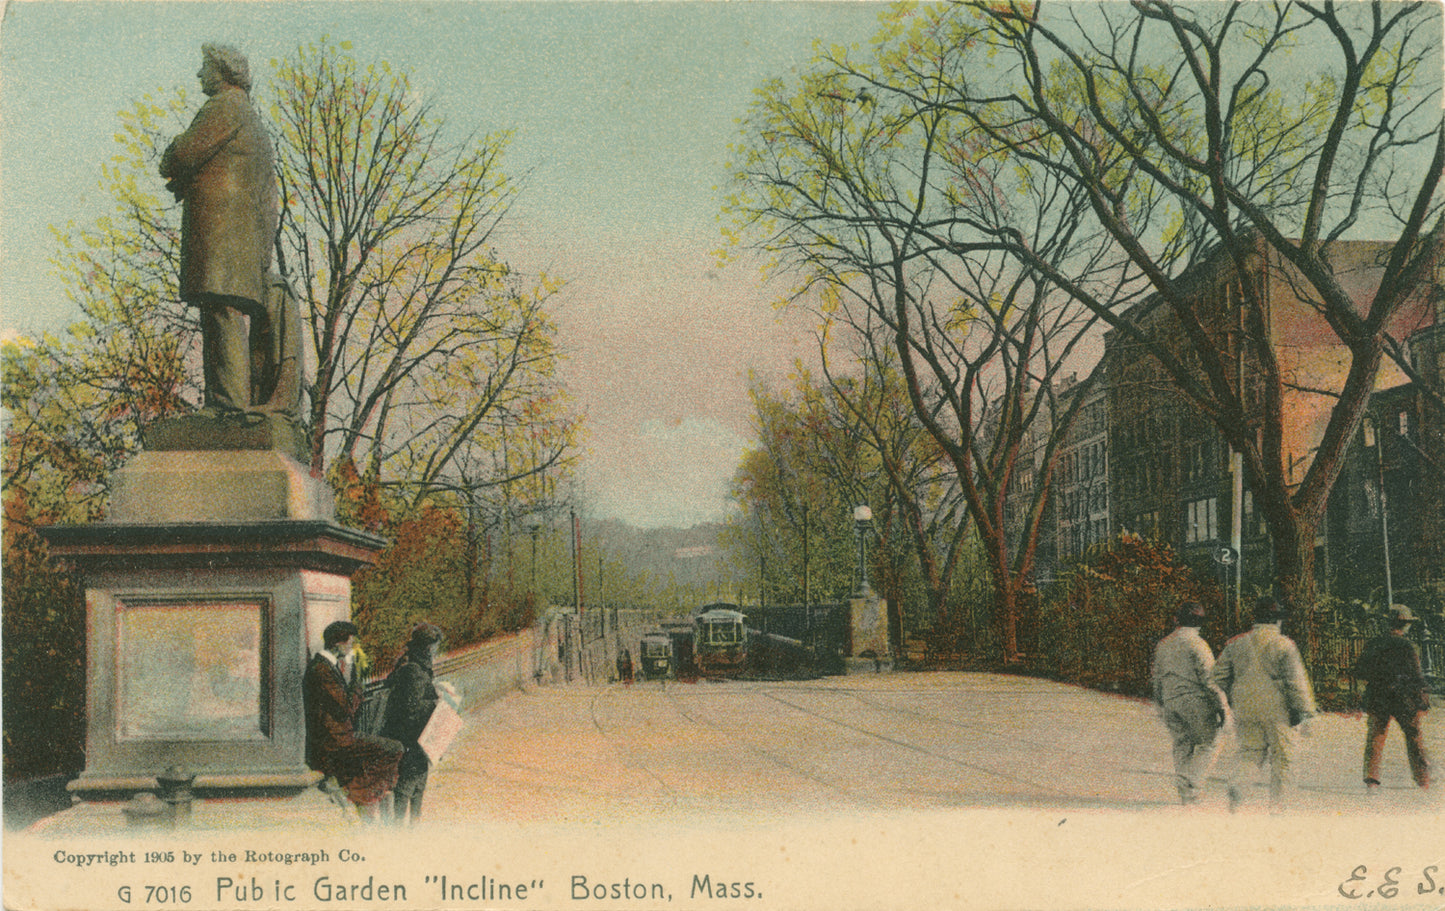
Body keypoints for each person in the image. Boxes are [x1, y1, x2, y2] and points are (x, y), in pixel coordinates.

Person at [159, 43, 278, 415]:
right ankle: (226, 401)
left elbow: (180, 155)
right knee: (221, 314)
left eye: (204, 68)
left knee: (220, 313)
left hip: (219, 237)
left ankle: (227, 405)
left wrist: (173, 154)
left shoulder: (223, 107)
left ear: (222, 71)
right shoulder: (251, 118)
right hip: (241, 242)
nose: (199, 75)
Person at [1212, 596, 1317, 810]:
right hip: (1277, 707)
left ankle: (1239, 787)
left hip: (1244, 705)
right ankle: (1278, 808)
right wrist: (1305, 711)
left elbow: (1217, 677)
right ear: (1278, 620)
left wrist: (1227, 700)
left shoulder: (1236, 643)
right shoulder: (1284, 644)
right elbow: (1296, 681)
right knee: (1284, 758)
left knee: (1250, 752)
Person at [303, 621, 403, 818]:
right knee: (395, 749)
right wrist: (358, 682)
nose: (351, 648)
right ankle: (356, 791)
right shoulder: (321, 670)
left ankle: (362, 792)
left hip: (339, 736)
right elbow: (347, 707)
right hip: (334, 742)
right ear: (337, 644)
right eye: (350, 643)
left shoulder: (327, 667)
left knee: (386, 751)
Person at [1151, 601, 1227, 804]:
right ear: (1200, 622)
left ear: (1176, 619)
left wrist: (1160, 704)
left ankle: (1186, 794)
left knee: (1182, 744)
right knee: (1209, 743)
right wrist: (1221, 706)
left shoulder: (1163, 644)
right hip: (1194, 700)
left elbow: (1156, 678)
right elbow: (1210, 679)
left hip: (1170, 700)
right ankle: (1191, 784)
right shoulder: (1198, 644)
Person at [1355, 604, 1431, 790]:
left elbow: (1360, 670)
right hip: (1404, 698)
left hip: (1379, 696)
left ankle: (1371, 780)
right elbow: (1416, 676)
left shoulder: (1374, 643)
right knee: (1414, 737)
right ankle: (1423, 780)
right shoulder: (1407, 646)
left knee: (1376, 737)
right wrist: (1422, 701)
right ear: (1405, 625)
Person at [379, 623, 444, 825]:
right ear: (427, 647)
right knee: (409, 784)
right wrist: (436, 703)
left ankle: (412, 825)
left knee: (417, 782)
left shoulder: (412, 663)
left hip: (412, 733)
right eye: (434, 647)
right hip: (409, 736)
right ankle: (402, 828)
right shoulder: (414, 670)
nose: (436, 651)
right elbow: (411, 709)